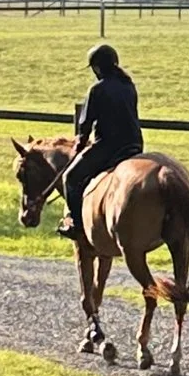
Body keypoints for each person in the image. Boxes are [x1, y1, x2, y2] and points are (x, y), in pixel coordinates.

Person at [62, 42, 145, 237]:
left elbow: (86, 124)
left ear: (97, 67)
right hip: (134, 144)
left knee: (70, 178)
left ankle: (77, 224)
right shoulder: (129, 85)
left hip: (108, 147)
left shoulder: (97, 89)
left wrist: (79, 144)